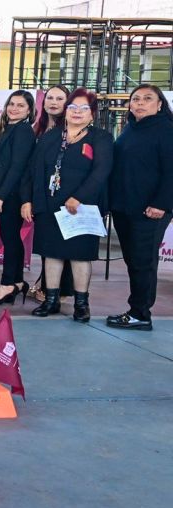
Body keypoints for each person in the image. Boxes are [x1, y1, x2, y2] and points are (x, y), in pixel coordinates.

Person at [24, 88, 113, 321]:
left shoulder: (100, 137)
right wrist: (29, 201)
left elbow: (101, 171)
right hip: (49, 206)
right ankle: (51, 300)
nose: (77, 112)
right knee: (51, 254)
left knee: (80, 256)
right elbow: (34, 171)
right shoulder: (50, 137)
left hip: (82, 209)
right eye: (73, 107)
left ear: (92, 114)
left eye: (84, 108)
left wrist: (79, 197)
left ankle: (81, 305)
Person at [106, 85, 173, 330]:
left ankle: (140, 314)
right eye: (135, 99)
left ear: (159, 104)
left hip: (150, 211)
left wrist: (161, 204)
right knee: (134, 261)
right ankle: (136, 310)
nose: (140, 103)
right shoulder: (130, 130)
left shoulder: (166, 130)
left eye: (147, 98)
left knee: (143, 262)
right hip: (125, 208)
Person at [0, 90, 36, 305]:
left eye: (21, 105)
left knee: (10, 238)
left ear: (29, 111)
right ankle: (16, 282)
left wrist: (1, 197)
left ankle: (7, 283)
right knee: (11, 238)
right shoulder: (8, 129)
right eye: (12, 104)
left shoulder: (23, 130)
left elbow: (17, 167)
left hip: (12, 194)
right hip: (7, 193)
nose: (14, 108)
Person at [29, 85, 74, 302]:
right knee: (47, 244)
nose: (54, 102)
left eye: (59, 98)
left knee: (61, 245)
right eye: (50, 98)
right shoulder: (40, 127)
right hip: (42, 195)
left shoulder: (71, 129)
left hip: (63, 196)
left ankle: (59, 290)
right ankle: (46, 283)